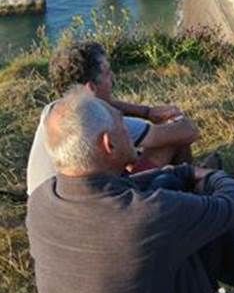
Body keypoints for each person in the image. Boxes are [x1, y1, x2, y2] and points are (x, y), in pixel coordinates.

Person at [26, 86, 234, 293]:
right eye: (123, 126)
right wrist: (207, 175)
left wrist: (178, 174)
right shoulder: (147, 215)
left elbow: (130, 185)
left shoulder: (40, 201)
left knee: (166, 181)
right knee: (203, 208)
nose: (130, 132)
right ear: (108, 144)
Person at [26, 41, 200, 194]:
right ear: (91, 88)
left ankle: (188, 183)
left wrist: (146, 112)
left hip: (47, 206)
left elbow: (104, 103)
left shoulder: (52, 111)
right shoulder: (101, 123)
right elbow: (189, 133)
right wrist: (176, 120)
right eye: (107, 73)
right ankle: (192, 190)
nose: (112, 78)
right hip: (94, 209)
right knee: (173, 140)